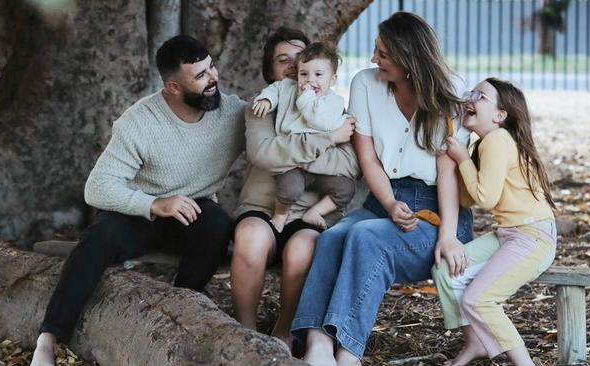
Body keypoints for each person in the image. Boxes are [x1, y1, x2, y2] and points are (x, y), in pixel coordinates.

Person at [30, 35, 246, 366]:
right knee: (97, 240)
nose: (213, 78)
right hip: (139, 210)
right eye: (201, 75)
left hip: (191, 212)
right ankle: (49, 337)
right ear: (173, 88)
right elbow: (97, 187)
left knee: (217, 225)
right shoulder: (140, 121)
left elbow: (278, 127)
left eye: (211, 67)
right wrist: (155, 204)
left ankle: (179, 306)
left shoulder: (232, 113)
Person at [291, 12, 474, 366]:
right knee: (331, 237)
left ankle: (347, 349)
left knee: (366, 238)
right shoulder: (366, 84)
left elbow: (447, 173)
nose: (374, 59)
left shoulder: (449, 91)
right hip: (382, 200)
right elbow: (369, 159)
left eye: (383, 54)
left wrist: (449, 236)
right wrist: (389, 203)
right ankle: (316, 342)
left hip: (438, 214)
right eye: (376, 51)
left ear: (409, 60)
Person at [231, 27, 359, 351]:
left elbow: (349, 167)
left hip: (309, 212)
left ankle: (285, 330)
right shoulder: (261, 107)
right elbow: (264, 153)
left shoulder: (331, 109)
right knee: (250, 237)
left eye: (299, 59)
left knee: (303, 249)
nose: (292, 67)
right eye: (283, 60)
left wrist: (291, 151)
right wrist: (325, 142)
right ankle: (245, 330)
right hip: (263, 207)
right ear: (269, 69)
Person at [431, 78, 557, 366]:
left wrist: (461, 157)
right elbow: (466, 199)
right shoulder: (484, 144)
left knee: (480, 299)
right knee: (446, 270)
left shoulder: (498, 140)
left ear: (500, 115)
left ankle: (525, 363)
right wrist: (453, 159)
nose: (470, 98)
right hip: (509, 235)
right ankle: (475, 342)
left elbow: (485, 198)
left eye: (481, 95)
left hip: (532, 237)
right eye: (471, 92)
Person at [252, 41, 356, 231]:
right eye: (304, 74)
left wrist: (306, 97)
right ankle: (281, 213)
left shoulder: (333, 101)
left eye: (318, 75)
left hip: (320, 169)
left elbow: (320, 122)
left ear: (332, 79)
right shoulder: (287, 88)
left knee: (346, 188)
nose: (309, 80)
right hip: (292, 164)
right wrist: (267, 99)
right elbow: (274, 89)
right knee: (290, 189)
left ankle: (316, 212)